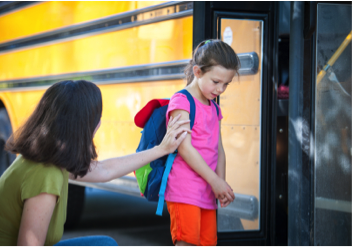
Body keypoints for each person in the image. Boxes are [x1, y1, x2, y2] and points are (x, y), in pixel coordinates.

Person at [0, 80, 190, 247]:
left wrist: (161, 149)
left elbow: (105, 170)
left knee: (104, 244)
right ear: (85, 126)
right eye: (96, 118)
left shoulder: (50, 157)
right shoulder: (45, 174)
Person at [164, 40, 240, 247]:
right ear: (197, 72)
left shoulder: (214, 108)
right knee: (187, 243)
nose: (221, 89)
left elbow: (219, 149)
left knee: (208, 243)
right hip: (185, 189)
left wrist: (220, 184)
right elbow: (184, 148)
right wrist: (215, 181)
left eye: (226, 84)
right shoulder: (182, 101)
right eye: (216, 82)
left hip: (208, 191)